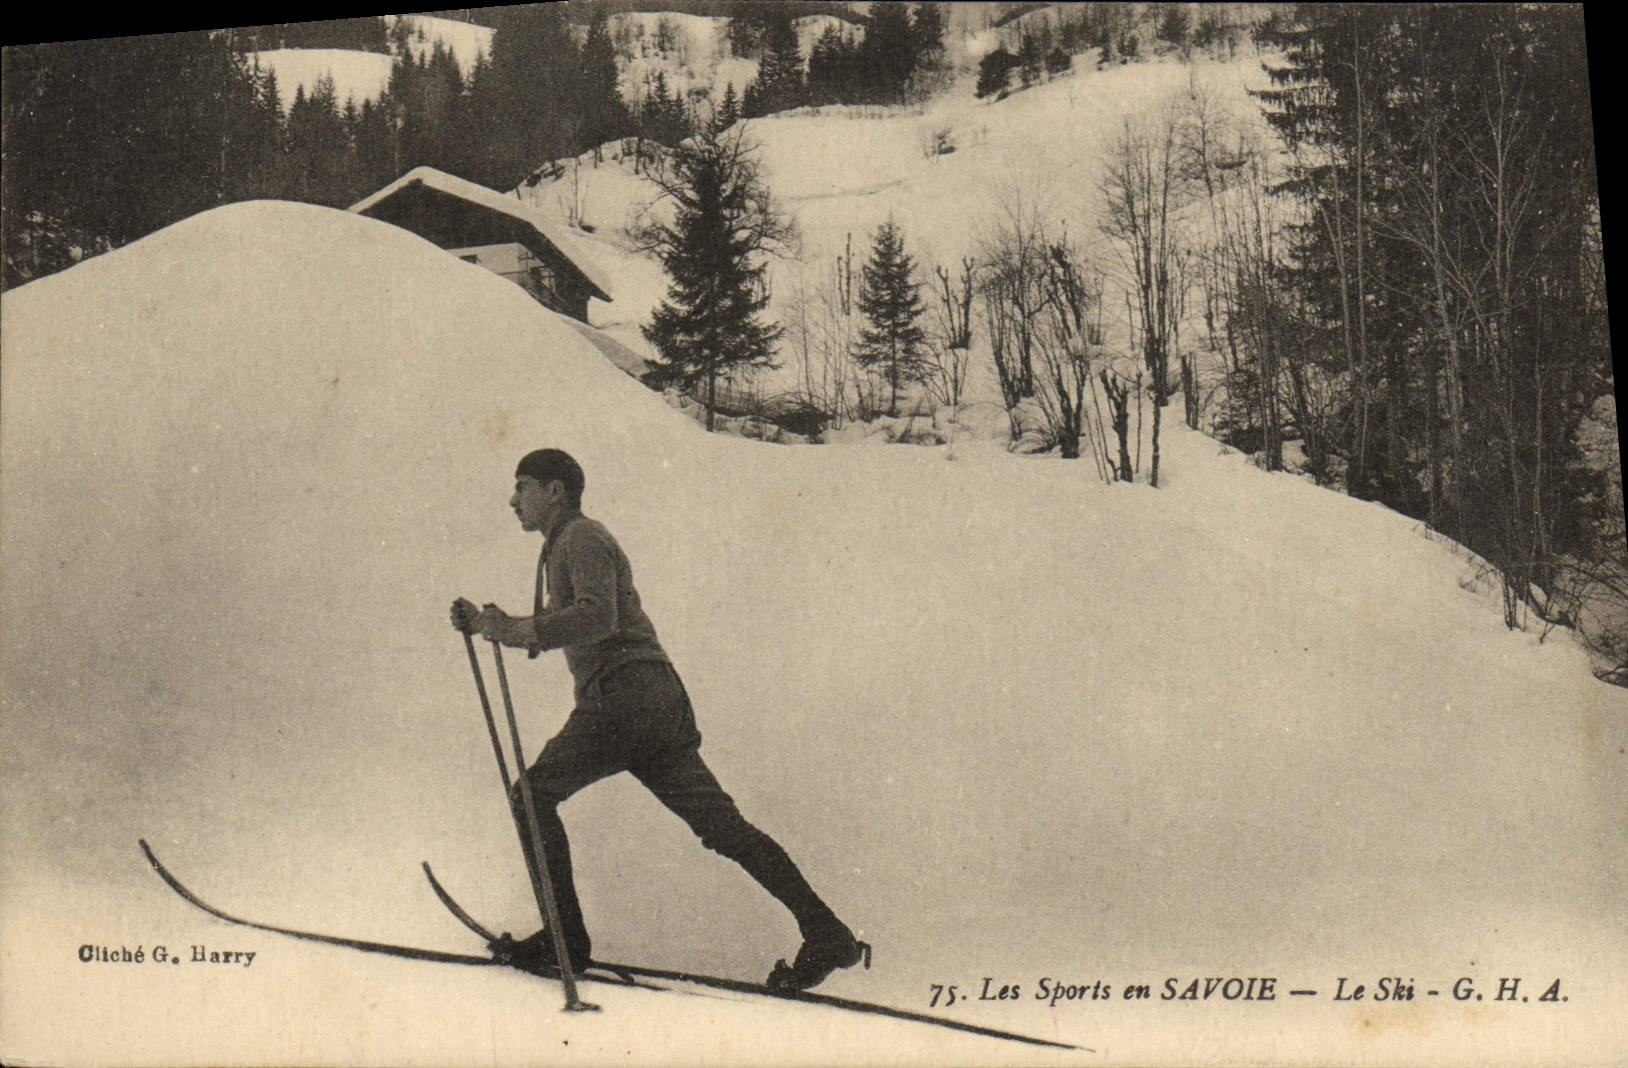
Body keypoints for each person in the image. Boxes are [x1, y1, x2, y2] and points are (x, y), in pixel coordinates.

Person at [451, 448, 867, 991]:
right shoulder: (568, 545)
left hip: (622, 700)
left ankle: (566, 940)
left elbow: (598, 616)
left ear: (555, 491)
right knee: (723, 828)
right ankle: (827, 932)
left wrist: (508, 630)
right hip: (656, 705)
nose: (514, 499)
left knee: (530, 796)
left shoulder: (580, 537)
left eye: (523, 485)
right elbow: (566, 619)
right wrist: (495, 624)